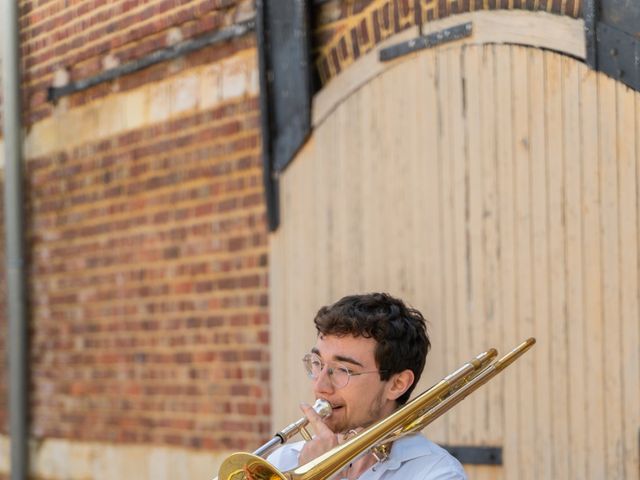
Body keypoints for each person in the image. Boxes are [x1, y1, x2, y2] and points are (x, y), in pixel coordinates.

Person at [267, 292, 467, 479]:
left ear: (397, 384)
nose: (320, 386)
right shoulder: (282, 462)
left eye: (343, 370)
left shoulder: (437, 473)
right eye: (317, 363)